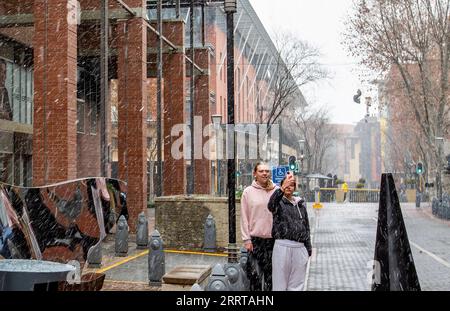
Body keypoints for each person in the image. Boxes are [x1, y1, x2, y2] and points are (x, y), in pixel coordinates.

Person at [268, 172, 312, 291]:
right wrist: (281, 189)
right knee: (279, 284)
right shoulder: (278, 202)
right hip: (282, 246)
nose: (289, 187)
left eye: (292, 185)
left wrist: (308, 249)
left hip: (300, 248)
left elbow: (306, 227)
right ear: (282, 186)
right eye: (286, 184)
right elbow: (270, 205)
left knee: (297, 285)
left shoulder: (301, 205)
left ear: (295, 188)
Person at [240, 162, 278, 291]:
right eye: (261, 171)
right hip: (255, 241)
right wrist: (247, 239)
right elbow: (244, 217)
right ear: (255, 174)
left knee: (272, 277)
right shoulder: (248, 192)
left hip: (274, 241)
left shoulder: (277, 191)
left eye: (267, 171)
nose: (265, 173)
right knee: (254, 276)